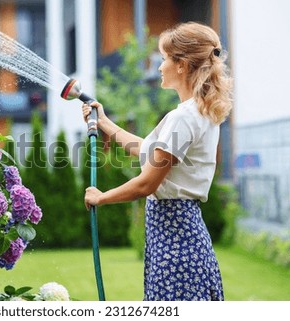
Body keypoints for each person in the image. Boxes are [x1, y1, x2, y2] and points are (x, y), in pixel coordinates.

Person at [82, 22, 232, 301]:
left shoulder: (184, 118)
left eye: (163, 59)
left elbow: (147, 183)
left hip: (176, 242)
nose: (158, 66)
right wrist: (105, 123)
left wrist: (101, 198)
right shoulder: (196, 112)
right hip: (178, 235)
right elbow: (148, 152)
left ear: (182, 66)